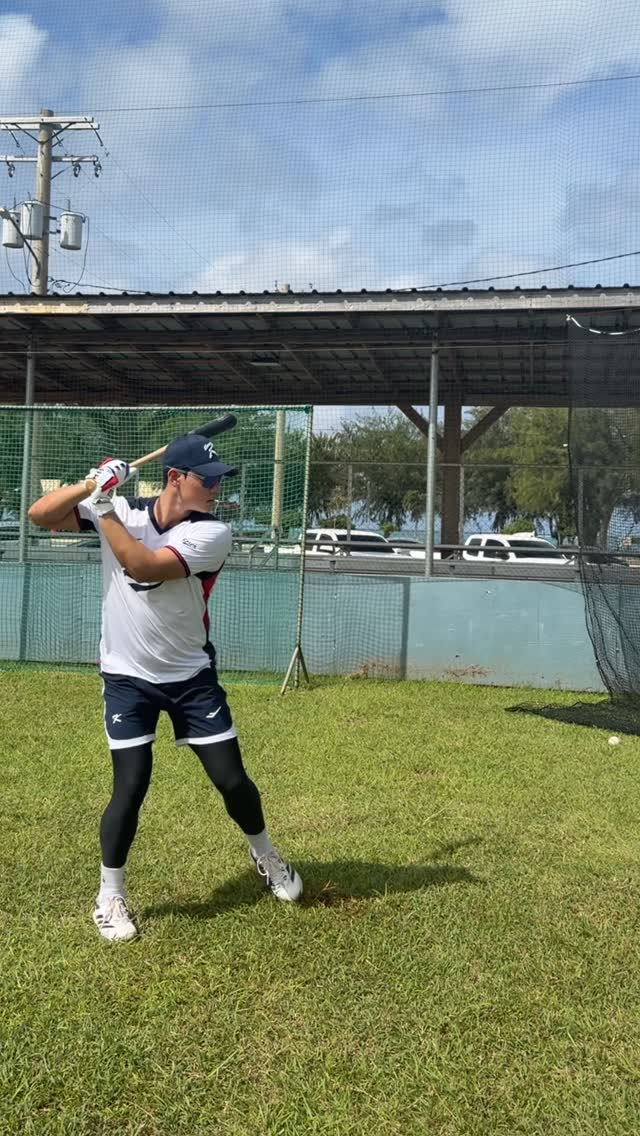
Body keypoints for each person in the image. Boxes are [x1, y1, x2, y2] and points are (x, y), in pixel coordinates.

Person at [28, 433, 302, 942]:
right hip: (127, 678)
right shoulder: (127, 508)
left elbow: (142, 564)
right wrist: (94, 483)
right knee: (130, 786)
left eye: (219, 479)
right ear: (176, 478)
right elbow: (40, 515)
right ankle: (110, 894)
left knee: (231, 780)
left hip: (191, 678)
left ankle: (264, 852)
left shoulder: (213, 532)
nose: (218, 487)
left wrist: (102, 506)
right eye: (208, 478)